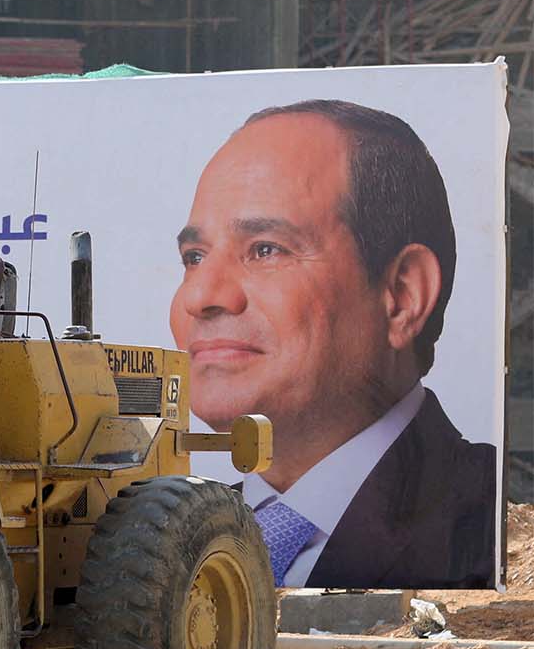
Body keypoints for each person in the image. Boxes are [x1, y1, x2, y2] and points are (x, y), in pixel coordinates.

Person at [169, 99, 496, 589]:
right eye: (194, 257)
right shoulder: (168, 541)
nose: (200, 296)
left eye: (265, 250)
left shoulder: (495, 528)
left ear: (403, 295)